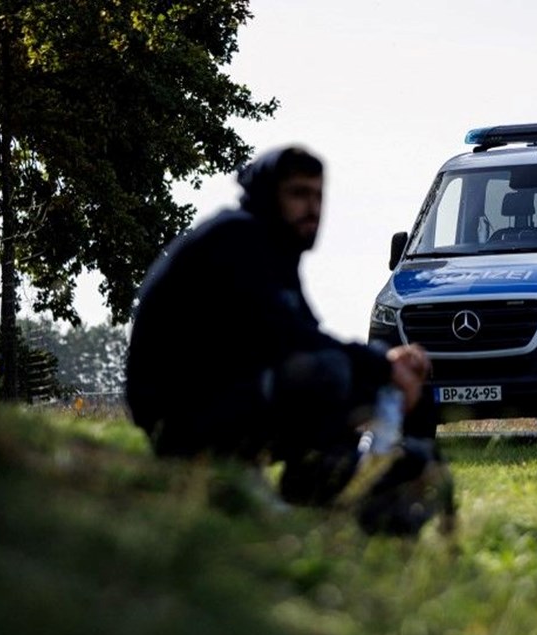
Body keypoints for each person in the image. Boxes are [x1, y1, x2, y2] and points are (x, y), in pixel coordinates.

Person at [124, 145, 453, 536]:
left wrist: (383, 364)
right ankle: (268, 479)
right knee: (329, 371)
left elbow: (305, 331)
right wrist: (383, 366)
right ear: (268, 195)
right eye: (298, 194)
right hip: (179, 414)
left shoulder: (272, 250)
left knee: (353, 369)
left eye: (318, 196)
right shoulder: (238, 239)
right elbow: (292, 338)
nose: (312, 208)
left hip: (219, 395)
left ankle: (336, 485)